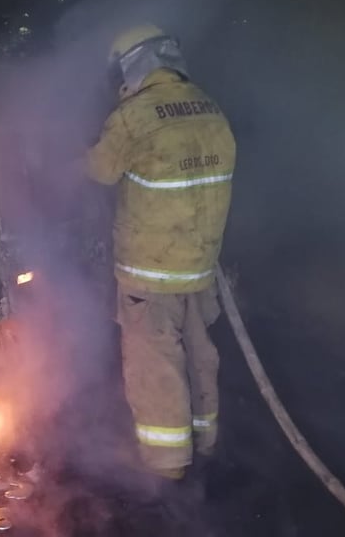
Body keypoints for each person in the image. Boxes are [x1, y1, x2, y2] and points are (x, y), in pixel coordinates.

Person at [85, 25, 236, 482]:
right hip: (200, 267)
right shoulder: (210, 109)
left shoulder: (136, 115)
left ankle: (167, 468)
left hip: (149, 272)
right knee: (199, 353)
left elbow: (101, 170)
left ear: (131, 65)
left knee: (156, 365)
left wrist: (64, 163)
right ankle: (207, 440)